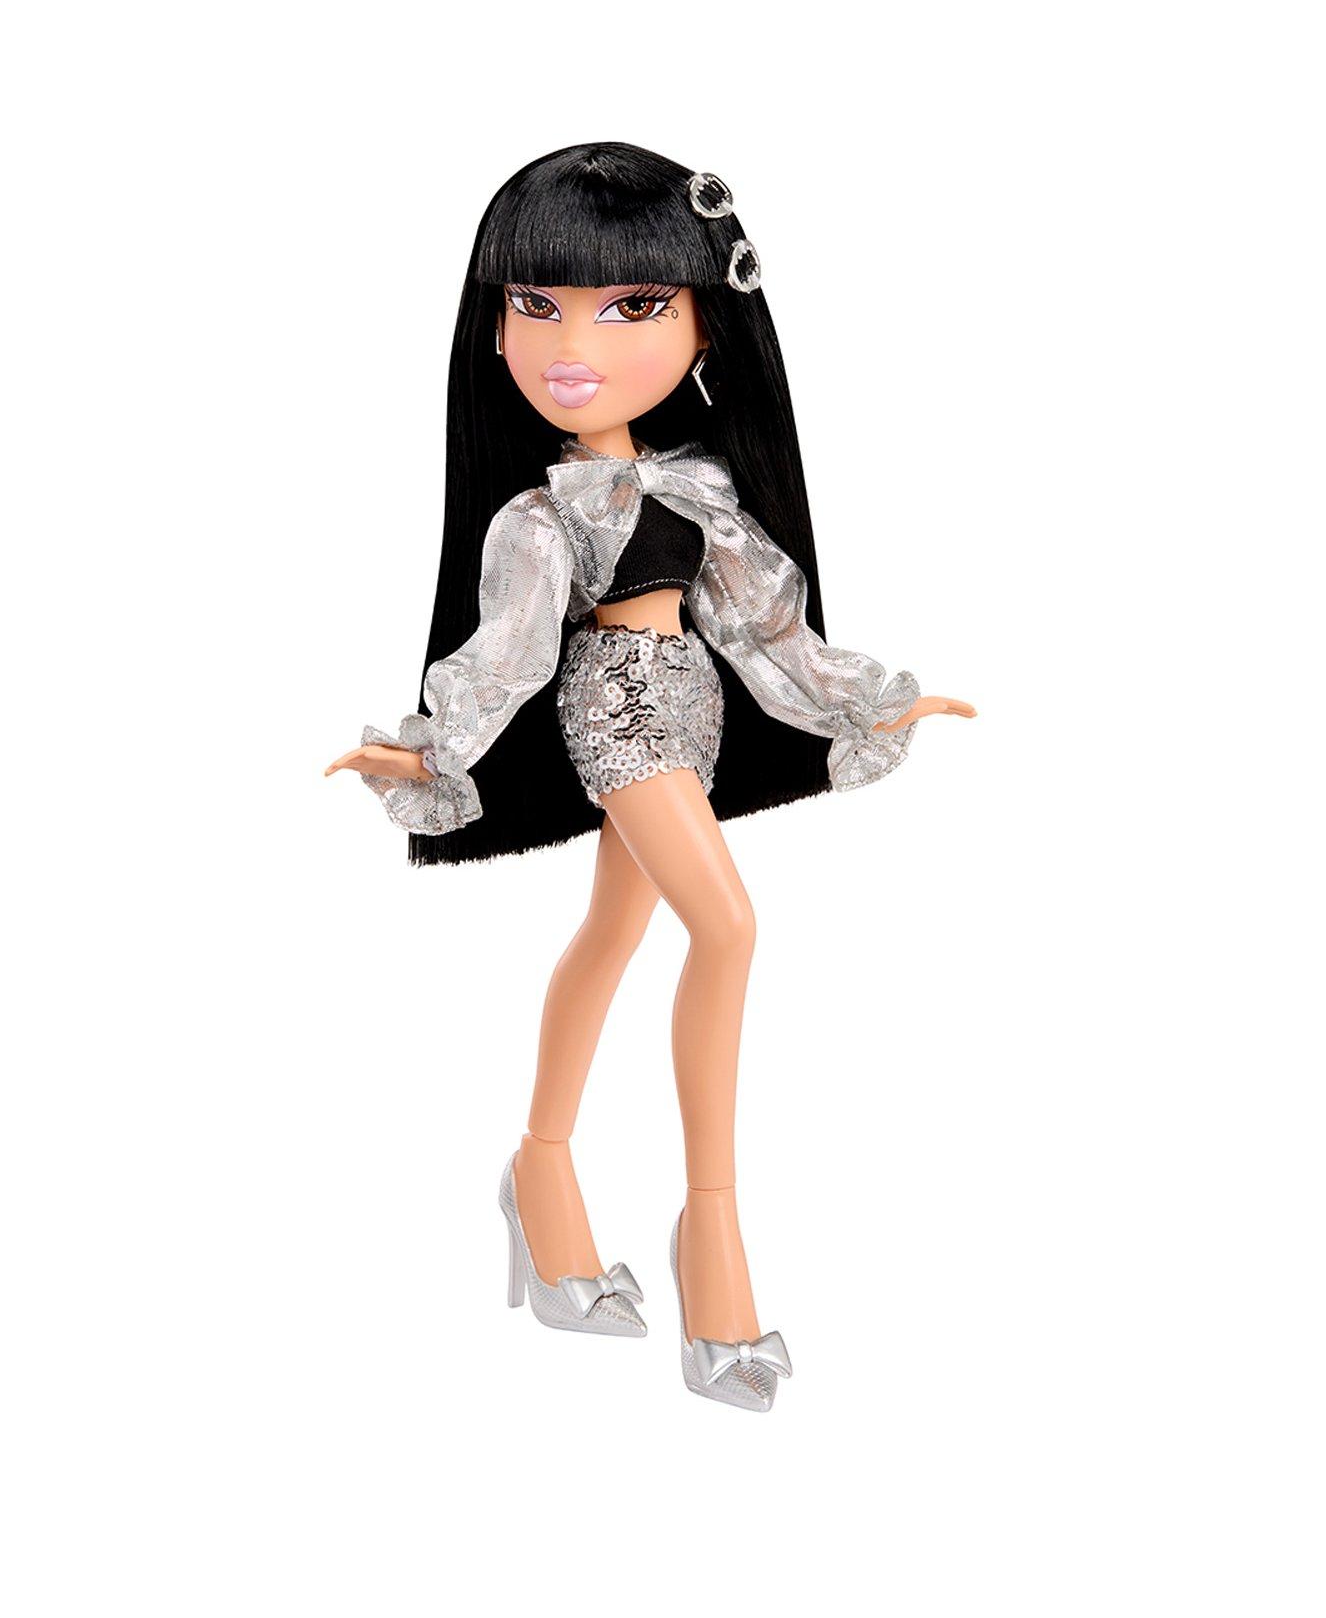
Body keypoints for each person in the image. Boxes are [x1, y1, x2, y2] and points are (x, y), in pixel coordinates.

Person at [326, 143, 975, 1410]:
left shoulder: (698, 486)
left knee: (612, 934)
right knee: (727, 926)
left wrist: (869, 698)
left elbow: (762, 628)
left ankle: (541, 1172)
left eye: (631, 307)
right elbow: (510, 653)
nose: (574, 344)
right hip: (616, 714)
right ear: (495, 326)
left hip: (693, 713)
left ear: (705, 328)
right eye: (537, 304)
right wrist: (431, 744)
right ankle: (713, 1238)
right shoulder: (540, 517)